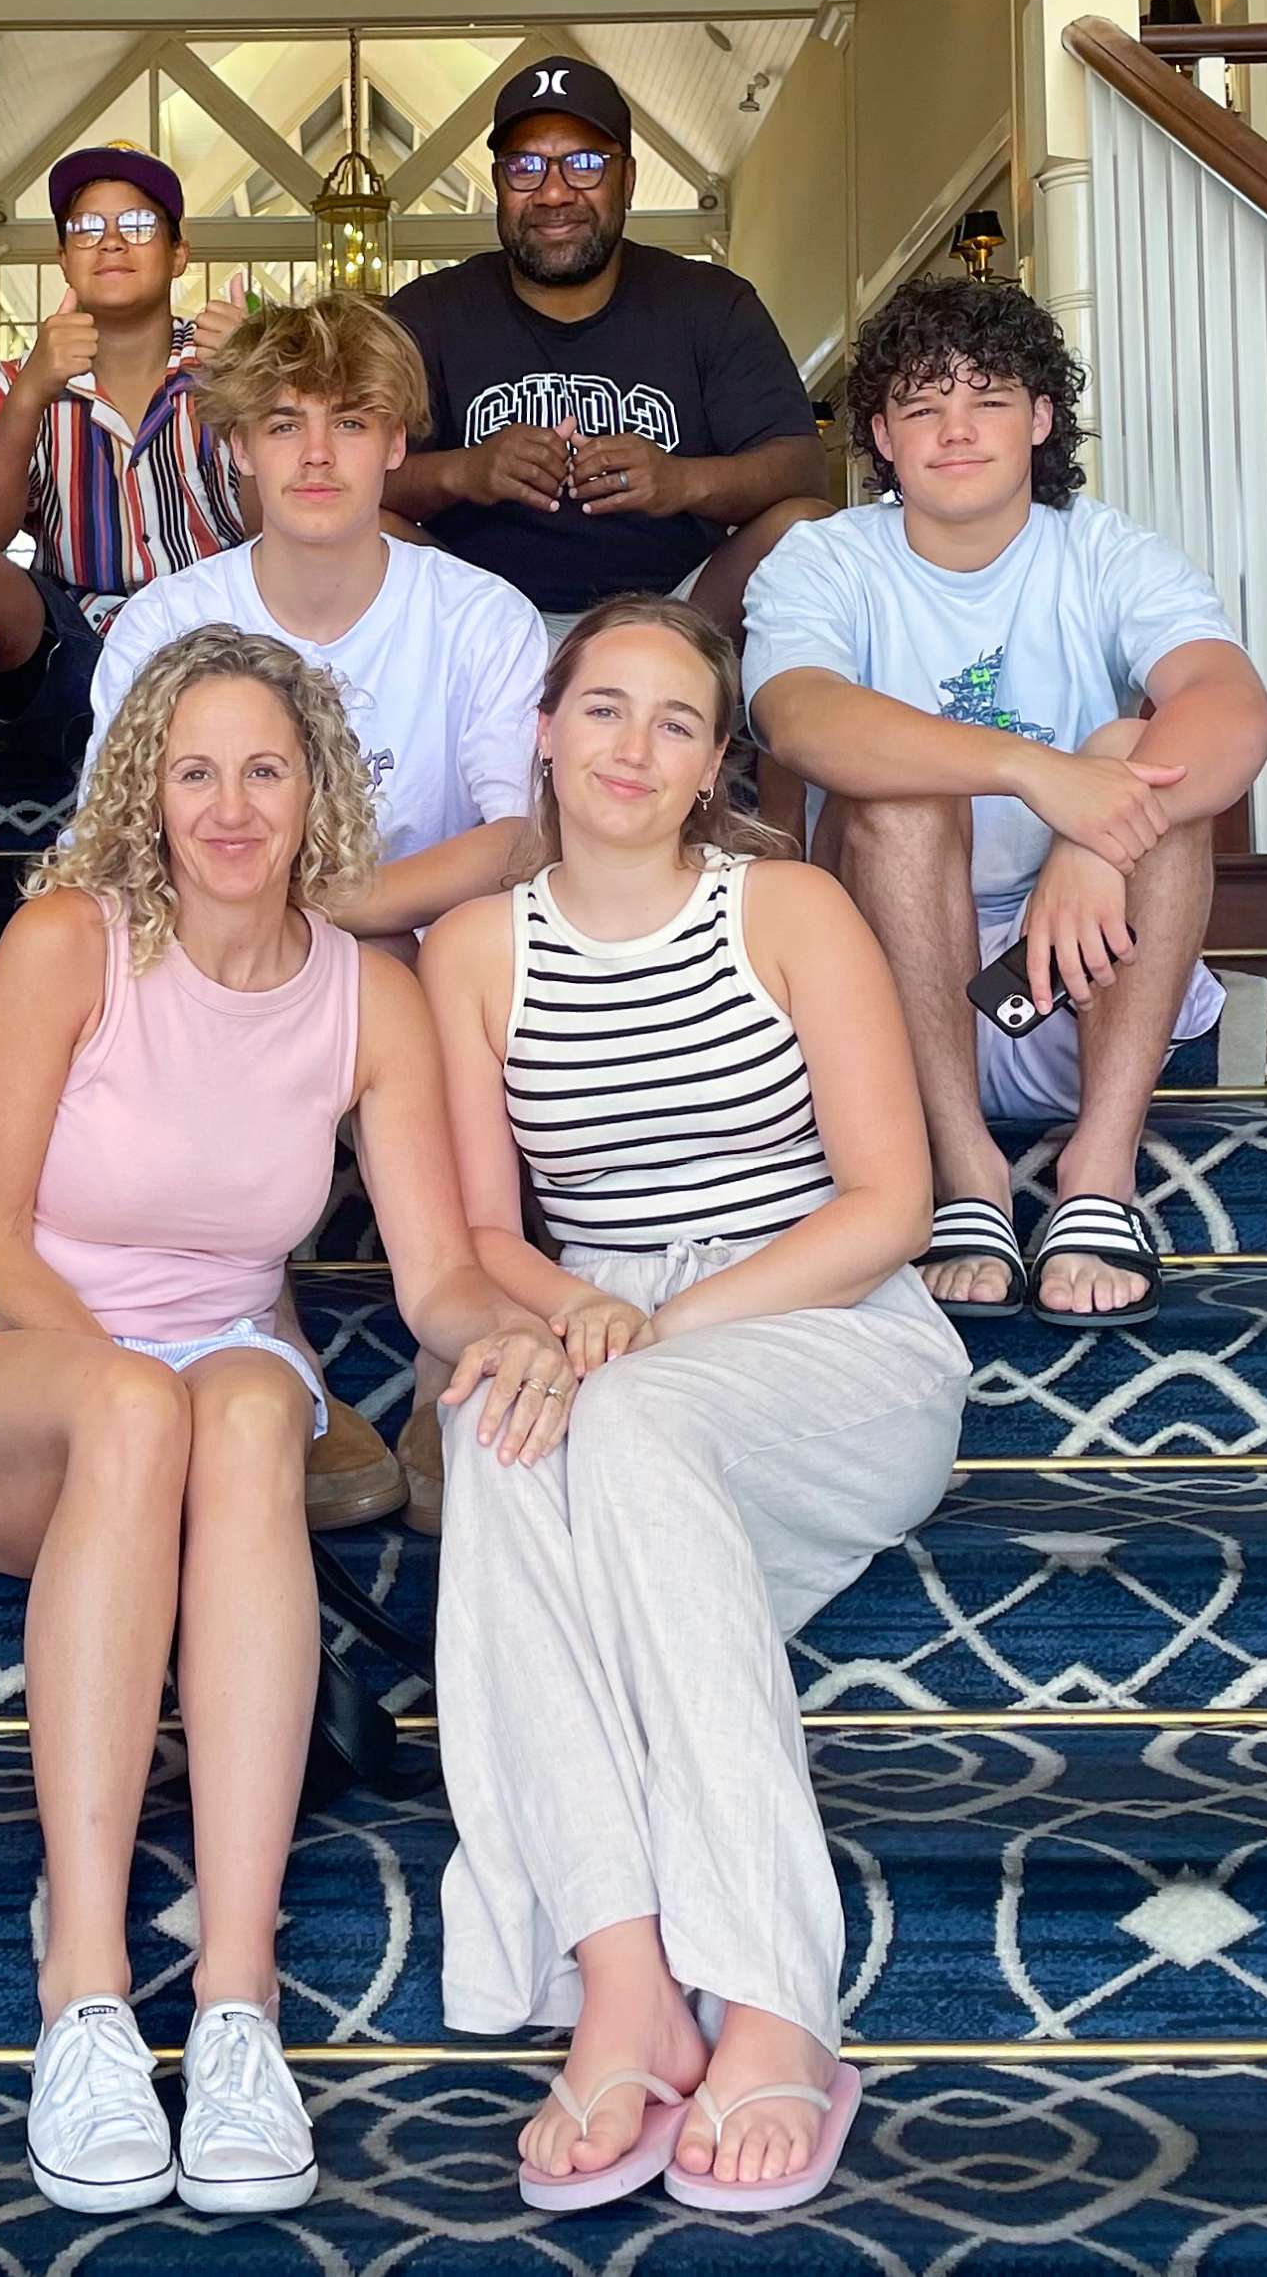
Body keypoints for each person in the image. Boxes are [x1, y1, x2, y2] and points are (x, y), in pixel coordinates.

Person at [0, 624, 571, 2218]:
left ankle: (241, 2001)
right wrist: (141, 1398)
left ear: (318, 785)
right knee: (150, 1407)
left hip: (219, 1384)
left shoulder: (366, 998)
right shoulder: (71, 940)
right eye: (198, 772)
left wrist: (537, 1336)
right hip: (6, 1362)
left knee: (250, 1407)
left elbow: (439, 1275)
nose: (233, 806)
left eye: (266, 769)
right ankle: (92, 1997)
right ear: (150, 788)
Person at [419, 596, 968, 2215]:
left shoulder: (787, 909)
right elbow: (485, 1237)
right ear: (545, 728)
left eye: (675, 723)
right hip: (594, 1321)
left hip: (825, 1328)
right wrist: (578, 1320)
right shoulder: (472, 951)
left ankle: (780, 2001)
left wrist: (652, 1331)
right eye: (604, 711)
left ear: (713, 761)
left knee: (619, 1423)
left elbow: (885, 1202)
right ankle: (626, 1983)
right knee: (497, 1437)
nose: (633, 748)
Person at [87, 294, 549, 1529]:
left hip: (421, 952)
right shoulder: (167, 622)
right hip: (224, 952)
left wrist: (345, 911)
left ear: (399, 442)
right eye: (282, 424)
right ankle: (266, 1343)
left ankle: (451, 1362)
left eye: (353, 422)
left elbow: (515, 838)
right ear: (235, 446)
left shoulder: (479, 614)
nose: (316, 455)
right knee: (183, 954)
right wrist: (287, 929)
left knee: (454, 945)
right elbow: (117, 849)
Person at [743, 278, 1267, 1327]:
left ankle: (1097, 1175)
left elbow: (1234, 711)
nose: (954, 429)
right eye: (920, 403)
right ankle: (968, 1178)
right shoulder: (828, 558)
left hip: (1083, 986)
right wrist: (1038, 772)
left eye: (987, 397)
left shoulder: (1103, 549)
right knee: (909, 792)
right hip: (892, 1013)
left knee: (1145, 761)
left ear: (1040, 419)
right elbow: (797, 715)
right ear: (882, 439)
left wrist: (1094, 833)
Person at [383, 57, 830, 635]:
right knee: (354, 526)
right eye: (525, 166)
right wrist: (466, 471)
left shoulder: (710, 303)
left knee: (803, 526)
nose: (553, 192)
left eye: (585, 164)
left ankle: (708, 691)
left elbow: (802, 473)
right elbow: (356, 475)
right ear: (498, 182)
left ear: (628, 178)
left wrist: (679, 482)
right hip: (475, 621)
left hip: (676, 617)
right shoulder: (428, 312)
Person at [0, 146, 248, 786]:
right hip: (72, 643)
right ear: (65, 258)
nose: (113, 243)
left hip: (222, 633)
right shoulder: (18, 378)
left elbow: (278, 528)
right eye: (87, 229)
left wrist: (251, 393)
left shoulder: (229, 364)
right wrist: (32, 394)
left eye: (140, 225)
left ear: (180, 254)